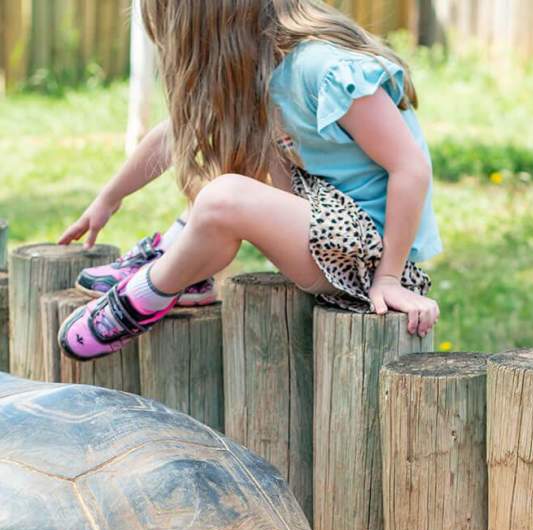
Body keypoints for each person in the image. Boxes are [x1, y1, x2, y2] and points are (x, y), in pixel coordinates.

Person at [58, 0, 442, 362]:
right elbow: (178, 131)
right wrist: (109, 197)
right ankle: (184, 264)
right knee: (236, 140)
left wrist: (389, 278)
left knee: (224, 197)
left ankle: (146, 294)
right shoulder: (265, 69)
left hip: (365, 255)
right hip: (327, 225)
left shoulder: (321, 66)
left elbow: (410, 167)